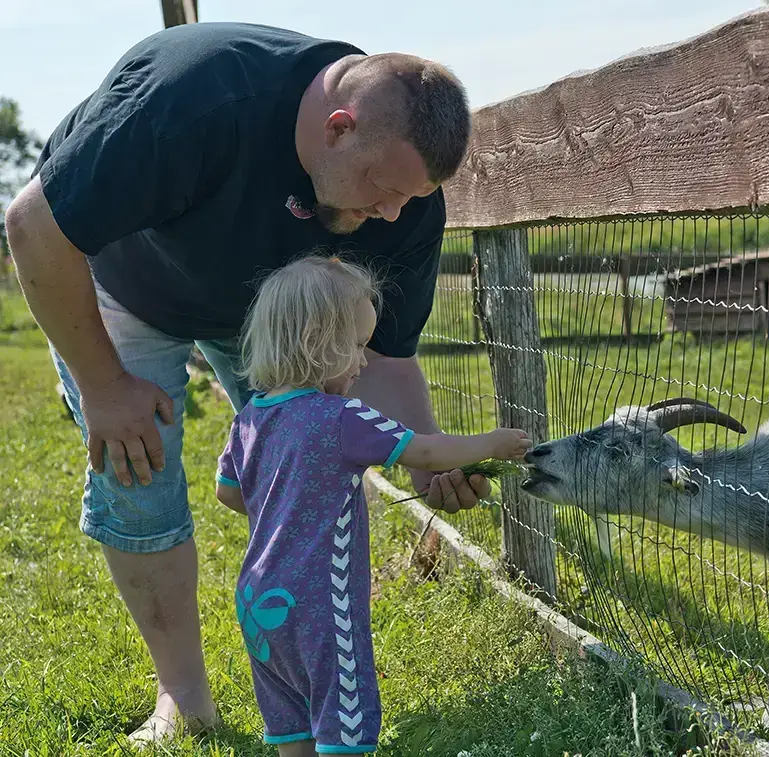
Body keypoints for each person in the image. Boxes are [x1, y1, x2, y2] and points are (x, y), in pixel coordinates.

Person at [2, 20, 494, 745]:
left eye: (409, 198)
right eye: (382, 190)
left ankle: (309, 663)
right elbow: (34, 227)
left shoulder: (405, 197)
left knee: (309, 452)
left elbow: (386, 357)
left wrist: (427, 456)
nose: (392, 214)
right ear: (338, 128)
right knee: (138, 473)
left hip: (271, 311)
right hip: (124, 283)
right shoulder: (191, 99)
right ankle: (183, 697)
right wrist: (104, 387)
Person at [215, 255, 530, 755]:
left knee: (291, 724)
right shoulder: (342, 416)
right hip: (322, 604)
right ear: (317, 341)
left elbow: (229, 492)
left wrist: (286, 505)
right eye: (359, 345)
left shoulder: (250, 418)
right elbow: (425, 451)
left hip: (258, 602)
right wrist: (491, 443)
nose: (364, 362)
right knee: (343, 725)